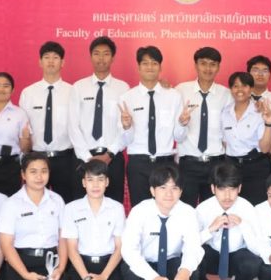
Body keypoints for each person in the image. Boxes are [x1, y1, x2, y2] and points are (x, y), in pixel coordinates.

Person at [119, 165, 204, 280]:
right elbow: (129, 250)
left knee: (192, 269)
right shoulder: (139, 211)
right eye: (163, 188)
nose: (169, 194)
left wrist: (184, 271)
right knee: (127, 268)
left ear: (181, 191)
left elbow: (193, 247)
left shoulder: (188, 212)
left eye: (174, 188)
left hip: (171, 262)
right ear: (153, 191)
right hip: (146, 264)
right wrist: (153, 278)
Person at [0, 152, 69, 280]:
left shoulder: (57, 200)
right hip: (22, 265)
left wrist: (60, 269)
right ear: (23, 174)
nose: (39, 176)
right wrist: (25, 274)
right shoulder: (11, 204)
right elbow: (6, 245)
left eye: (44, 171)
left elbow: (63, 239)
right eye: (33, 171)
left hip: (50, 264)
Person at [61, 159, 125, 280]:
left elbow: (119, 248)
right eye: (90, 180)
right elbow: (72, 249)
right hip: (82, 267)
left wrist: (103, 277)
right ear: (84, 182)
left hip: (108, 267)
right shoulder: (71, 209)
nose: (95, 185)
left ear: (107, 182)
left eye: (100, 179)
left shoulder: (117, 208)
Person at [192, 162, 263, 280]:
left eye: (232, 189)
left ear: (239, 188)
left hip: (237, 255)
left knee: (254, 263)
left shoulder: (248, 208)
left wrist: (243, 225)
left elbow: (258, 248)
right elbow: (190, 244)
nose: (227, 196)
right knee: (191, 257)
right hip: (212, 254)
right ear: (213, 189)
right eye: (222, 189)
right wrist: (210, 229)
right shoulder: (203, 209)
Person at [119, 46, 185, 206]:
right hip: (138, 164)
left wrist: (183, 124)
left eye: (154, 63)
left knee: (167, 208)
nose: (150, 67)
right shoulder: (127, 97)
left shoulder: (174, 96)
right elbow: (125, 141)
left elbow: (179, 136)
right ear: (138, 67)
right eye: (145, 63)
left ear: (160, 67)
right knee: (140, 210)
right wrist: (127, 127)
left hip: (165, 163)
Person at [68, 36, 129, 204]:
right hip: (83, 158)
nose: (101, 58)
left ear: (113, 57)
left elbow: (124, 128)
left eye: (106, 54)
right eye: (97, 53)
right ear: (90, 57)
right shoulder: (78, 87)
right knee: (81, 206)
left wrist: (109, 154)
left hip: (113, 159)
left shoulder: (123, 88)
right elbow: (73, 125)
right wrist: (88, 158)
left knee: (113, 205)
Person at [20, 42, 76, 203]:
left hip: (65, 159)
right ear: (40, 62)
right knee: (34, 203)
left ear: (62, 62)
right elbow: (24, 129)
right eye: (46, 57)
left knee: (65, 203)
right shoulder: (28, 93)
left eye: (55, 57)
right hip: (36, 158)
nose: (51, 61)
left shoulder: (73, 92)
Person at [175, 47, 232, 206]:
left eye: (212, 64)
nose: (208, 68)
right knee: (186, 211)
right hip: (188, 164)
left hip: (216, 164)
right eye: (203, 63)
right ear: (196, 65)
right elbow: (177, 136)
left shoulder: (226, 95)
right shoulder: (181, 90)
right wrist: (182, 123)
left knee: (212, 211)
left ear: (218, 67)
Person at [222, 72, 271, 206]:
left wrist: (268, 123)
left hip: (255, 167)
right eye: (235, 86)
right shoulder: (225, 112)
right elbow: (224, 142)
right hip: (232, 168)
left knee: (256, 207)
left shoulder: (260, 111)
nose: (240, 90)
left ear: (251, 89)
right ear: (230, 89)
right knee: (233, 207)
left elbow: (265, 149)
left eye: (244, 86)